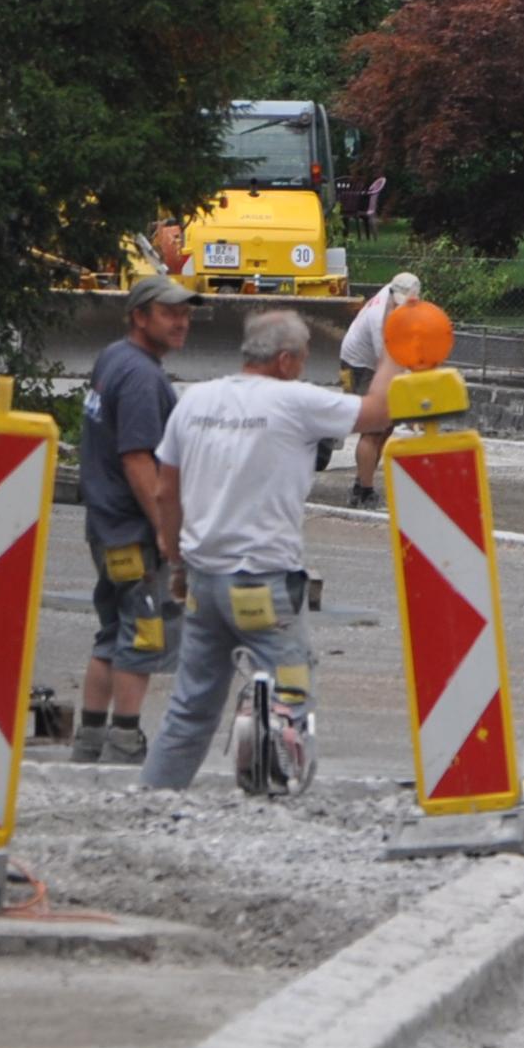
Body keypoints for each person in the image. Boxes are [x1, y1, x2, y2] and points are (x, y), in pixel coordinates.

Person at [143, 307, 394, 795]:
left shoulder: (195, 401)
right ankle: (270, 788)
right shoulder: (295, 401)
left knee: (190, 706)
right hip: (264, 584)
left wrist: (177, 562)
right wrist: (395, 351)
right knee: (290, 692)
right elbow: (378, 412)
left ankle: (153, 799)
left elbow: (164, 492)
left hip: (204, 584)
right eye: (302, 358)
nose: (302, 367)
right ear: (285, 360)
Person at [72, 276, 191, 764]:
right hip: (133, 531)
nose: (181, 322)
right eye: (169, 313)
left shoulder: (113, 358)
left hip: (105, 526)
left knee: (113, 631)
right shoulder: (143, 377)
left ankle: (89, 737)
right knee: (143, 632)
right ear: (140, 316)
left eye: (185, 313)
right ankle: (125, 740)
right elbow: (138, 460)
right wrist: (165, 529)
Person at [332, 270, 424, 509]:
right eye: (399, 303)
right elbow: (387, 362)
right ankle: (365, 491)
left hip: (377, 361)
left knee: (386, 428)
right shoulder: (379, 317)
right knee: (373, 428)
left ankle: (360, 484)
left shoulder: (406, 302)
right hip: (359, 364)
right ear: (392, 293)